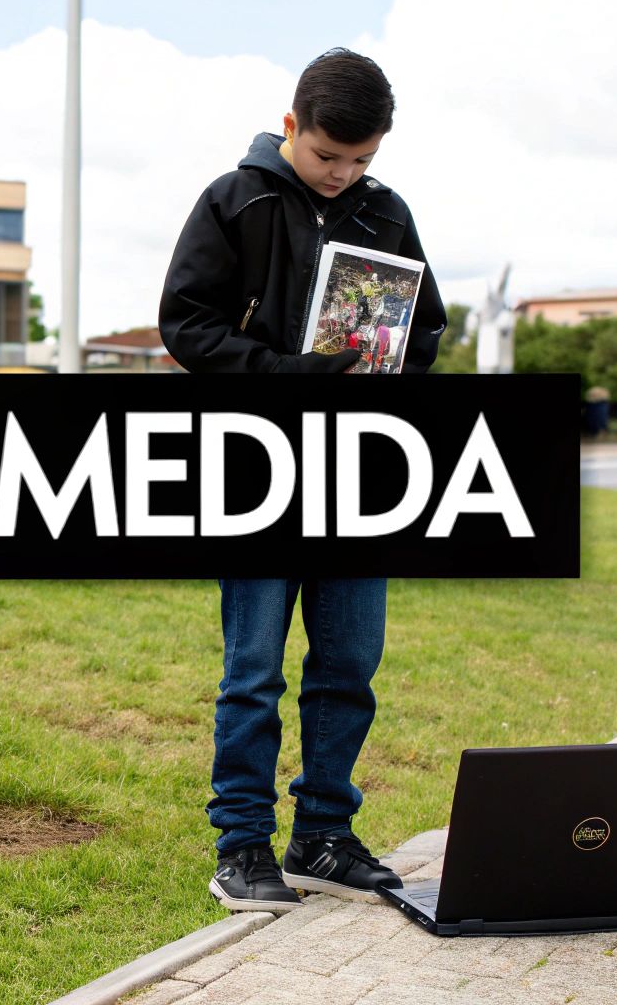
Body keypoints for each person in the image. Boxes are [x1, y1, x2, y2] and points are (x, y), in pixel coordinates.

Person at [158, 48, 444, 913]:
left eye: (361, 159)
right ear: (291, 126)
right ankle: (242, 846)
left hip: (356, 476)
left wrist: (390, 371)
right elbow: (186, 325)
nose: (342, 173)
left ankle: (323, 834)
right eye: (328, 155)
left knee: (350, 663)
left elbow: (426, 327)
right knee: (253, 668)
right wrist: (289, 373)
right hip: (257, 471)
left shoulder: (388, 214)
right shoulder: (233, 201)